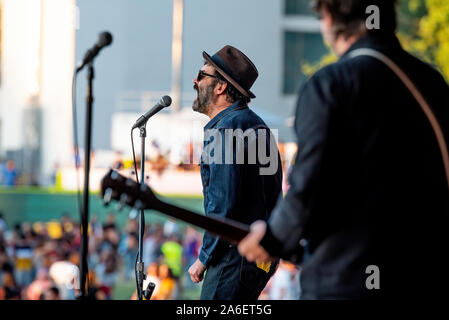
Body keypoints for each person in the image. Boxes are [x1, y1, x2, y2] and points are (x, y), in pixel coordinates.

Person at [238, 0, 449, 299]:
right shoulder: (433, 83)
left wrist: (271, 238)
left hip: (346, 281)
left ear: (328, 16)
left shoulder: (331, 84)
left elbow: (308, 187)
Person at [187, 45, 283, 300]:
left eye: (201, 74)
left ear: (220, 87)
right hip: (258, 255)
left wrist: (204, 258)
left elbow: (223, 204)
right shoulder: (256, 125)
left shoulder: (224, 130)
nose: (195, 81)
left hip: (234, 256)